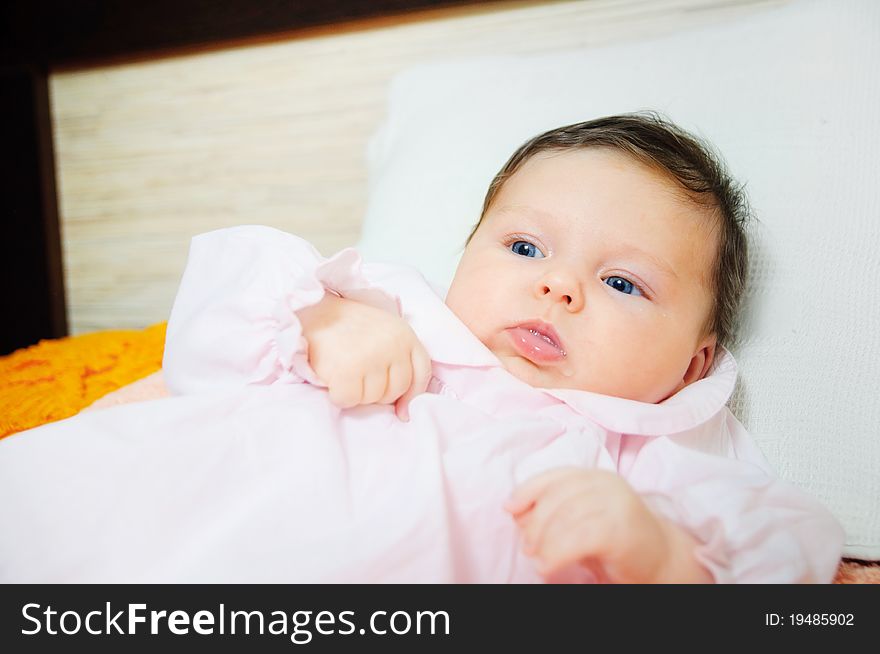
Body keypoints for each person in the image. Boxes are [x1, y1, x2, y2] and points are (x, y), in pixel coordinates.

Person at [0, 113, 844, 583]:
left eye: (623, 283)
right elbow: (205, 344)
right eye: (523, 248)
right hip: (167, 520)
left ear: (694, 365)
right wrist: (322, 322)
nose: (559, 288)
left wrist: (661, 557)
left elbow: (795, 577)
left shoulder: (651, 452)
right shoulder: (393, 308)